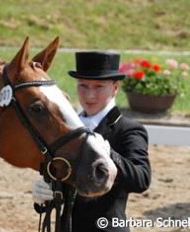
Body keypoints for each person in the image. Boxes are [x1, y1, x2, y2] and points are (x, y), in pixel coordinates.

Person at [32, 51, 151, 232]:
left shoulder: (128, 130)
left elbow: (141, 179)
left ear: (115, 87)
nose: (90, 95)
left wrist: (110, 154)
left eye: (99, 87)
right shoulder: (65, 129)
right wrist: (45, 195)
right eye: (83, 86)